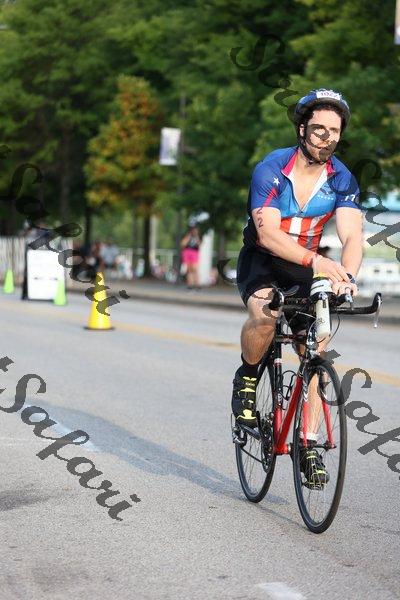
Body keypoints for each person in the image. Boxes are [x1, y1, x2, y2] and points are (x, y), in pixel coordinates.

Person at [231, 88, 362, 486]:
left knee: (315, 345)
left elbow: (352, 237)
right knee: (264, 314)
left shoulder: (342, 178)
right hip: (264, 258)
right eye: (319, 129)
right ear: (302, 129)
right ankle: (248, 377)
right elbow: (268, 234)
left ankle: (308, 442)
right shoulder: (272, 168)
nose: (327, 138)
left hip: (304, 265)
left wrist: (347, 277)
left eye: (334, 132)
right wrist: (319, 262)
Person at [180, 224, 202, 289]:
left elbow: (199, 245)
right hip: (187, 252)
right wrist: (188, 236)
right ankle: (190, 284)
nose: (194, 231)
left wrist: (197, 237)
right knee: (189, 269)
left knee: (195, 268)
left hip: (195, 252)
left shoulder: (199, 236)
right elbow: (183, 244)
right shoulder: (187, 235)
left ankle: (197, 283)